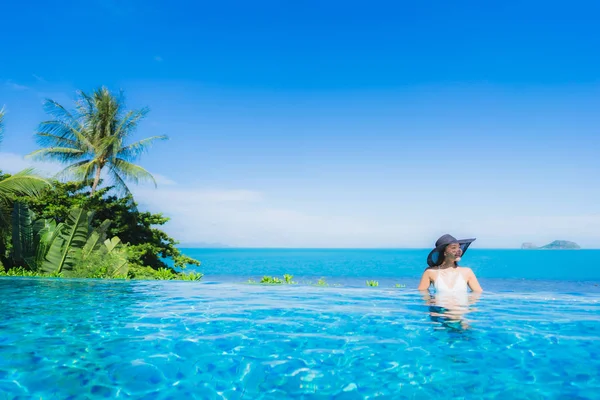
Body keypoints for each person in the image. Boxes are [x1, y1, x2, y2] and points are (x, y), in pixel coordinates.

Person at [417, 234, 483, 292]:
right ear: (444, 253)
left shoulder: (467, 272)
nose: (459, 250)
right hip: (439, 306)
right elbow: (422, 294)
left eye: (459, 247)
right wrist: (430, 301)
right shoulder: (430, 272)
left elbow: (478, 294)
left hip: (462, 306)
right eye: (454, 248)